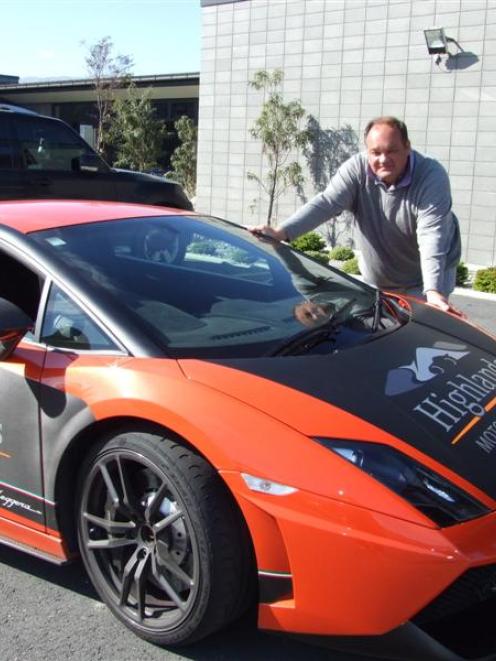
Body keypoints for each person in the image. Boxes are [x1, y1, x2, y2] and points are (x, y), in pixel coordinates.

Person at [251, 116, 462, 314]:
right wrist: (281, 232)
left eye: (392, 151)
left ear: (407, 147)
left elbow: (431, 234)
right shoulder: (356, 169)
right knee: (378, 329)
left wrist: (433, 291)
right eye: (376, 152)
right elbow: (327, 203)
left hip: (424, 277)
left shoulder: (431, 175)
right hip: (379, 275)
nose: (383, 159)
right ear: (367, 151)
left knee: (419, 329)